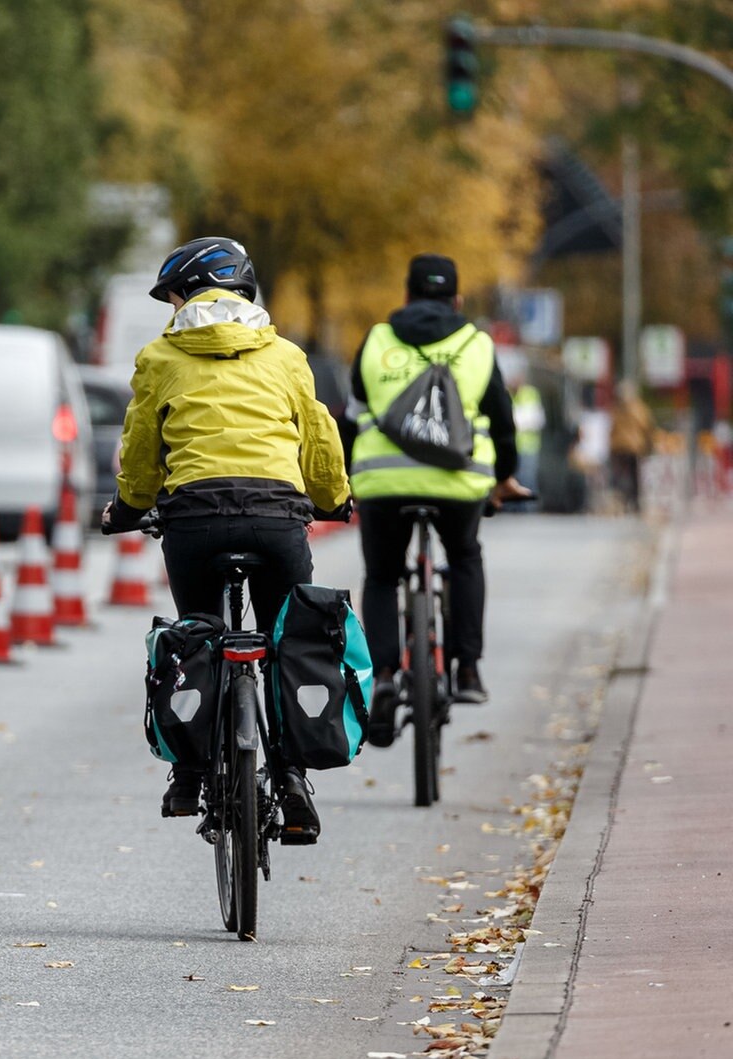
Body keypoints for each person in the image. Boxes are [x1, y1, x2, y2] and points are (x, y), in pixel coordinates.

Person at [103, 237, 350, 843]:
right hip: (275, 517)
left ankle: (188, 773)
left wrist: (130, 506)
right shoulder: (287, 355)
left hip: (194, 519)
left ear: (187, 295)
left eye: (174, 295)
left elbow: (141, 447)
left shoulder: (159, 356)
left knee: (197, 635)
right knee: (288, 641)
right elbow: (318, 435)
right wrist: (332, 497)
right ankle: (291, 782)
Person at [350, 254, 527, 746]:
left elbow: (351, 417)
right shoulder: (476, 343)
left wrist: (342, 479)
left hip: (383, 483)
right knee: (466, 555)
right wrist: (504, 478)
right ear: (458, 300)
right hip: (458, 480)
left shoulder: (377, 339)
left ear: (405, 296)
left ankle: (385, 673)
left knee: (383, 574)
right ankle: (467, 669)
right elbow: (502, 420)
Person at [607, 381, 654, 513]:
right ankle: (634, 503)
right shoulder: (639, 408)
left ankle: (621, 502)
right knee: (634, 476)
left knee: (620, 475)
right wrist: (648, 443)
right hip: (634, 446)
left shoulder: (617, 409)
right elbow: (646, 426)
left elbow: (612, 427)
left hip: (618, 447)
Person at [510, 376, 545, 512]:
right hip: (513, 446)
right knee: (514, 479)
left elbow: (534, 419)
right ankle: (514, 508)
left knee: (527, 479)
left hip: (528, 447)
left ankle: (528, 508)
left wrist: (517, 420)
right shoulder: (508, 393)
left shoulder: (530, 394)